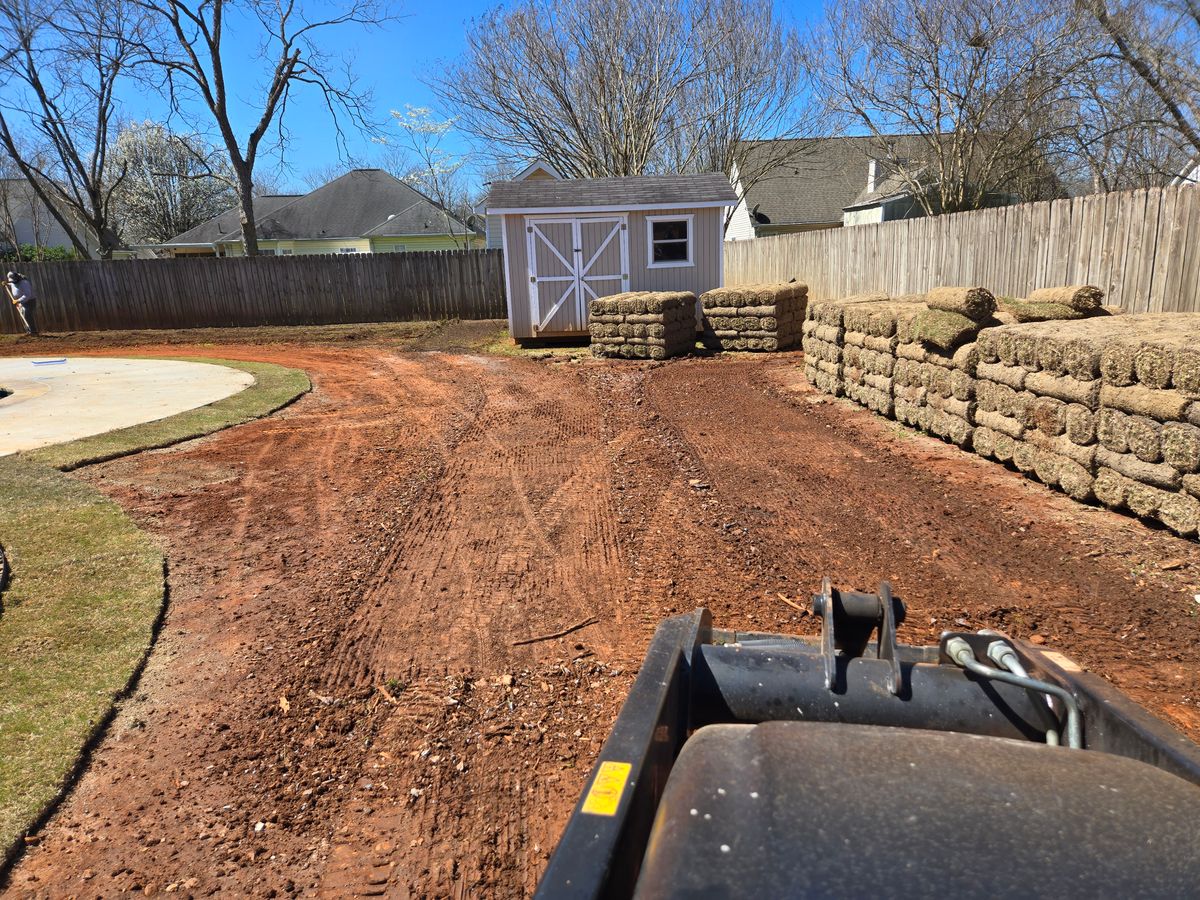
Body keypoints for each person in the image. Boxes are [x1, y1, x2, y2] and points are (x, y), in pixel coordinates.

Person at [5, 270, 37, 336]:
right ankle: (28, 331)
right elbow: (12, 284)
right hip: (21, 302)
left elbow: (27, 295)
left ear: (17, 278)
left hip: (29, 301)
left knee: (27, 314)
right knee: (22, 315)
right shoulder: (13, 282)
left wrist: (17, 301)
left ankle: (33, 331)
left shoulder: (24, 283)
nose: (12, 281)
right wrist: (6, 284)